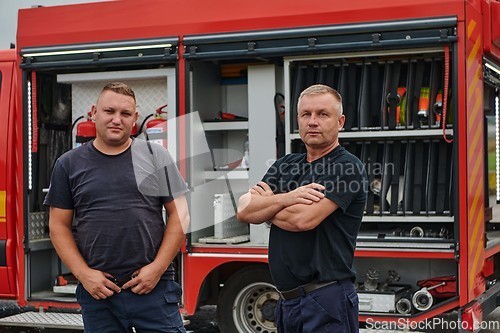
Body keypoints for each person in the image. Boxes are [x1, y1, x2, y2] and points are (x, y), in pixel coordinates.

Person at [44, 82, 190, 333]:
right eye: (109, 111)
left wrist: (157, 269)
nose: (116, 120)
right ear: (93, 112)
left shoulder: (157, 157)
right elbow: (58, 226)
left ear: (135, 118)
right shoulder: (69, 164)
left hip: (153, 288)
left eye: (125, 114)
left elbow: (181, 215)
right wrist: (83, 275)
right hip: (99, 292)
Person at [237, 84, 367, 333]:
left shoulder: (347, 167)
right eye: (306, 115)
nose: (313, 121)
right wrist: (289, 199)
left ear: (340, 122)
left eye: (322, 114)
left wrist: (268, 207)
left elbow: (303, 220)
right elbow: (244, 210)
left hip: (327, 299)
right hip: (287, 302)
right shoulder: (286, 164)